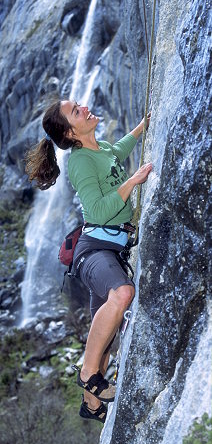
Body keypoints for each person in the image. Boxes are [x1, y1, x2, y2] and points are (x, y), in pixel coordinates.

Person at [25, 100, 152, 423]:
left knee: (105, 333)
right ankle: (88, 374)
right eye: (75, 111)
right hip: (93, 250)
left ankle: (91, 405)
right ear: (71, 132)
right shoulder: (79, 161)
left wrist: (140, 129)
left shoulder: (98, 148)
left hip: (108, 249)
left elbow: (115, 155)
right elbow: (96, 211)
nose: (83, 107)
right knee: (122, 294)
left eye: (78, 104)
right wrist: (132, 182)